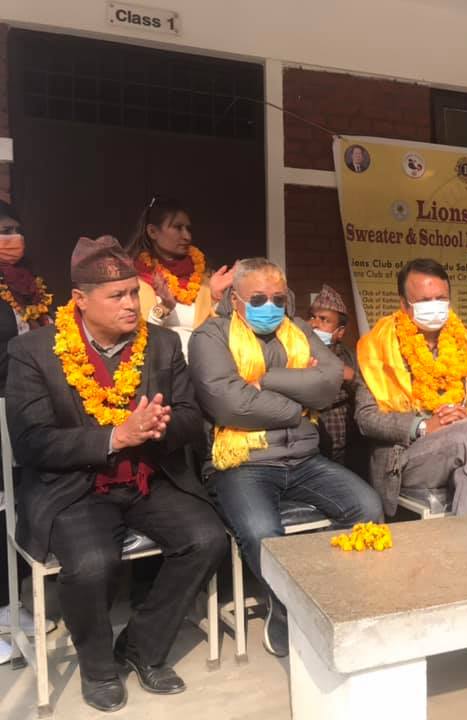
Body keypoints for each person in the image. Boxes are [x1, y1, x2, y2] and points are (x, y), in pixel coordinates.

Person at [5, 236, 227, 712]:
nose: (131, 304)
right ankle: (99, 667)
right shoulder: (33, 351)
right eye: (117, 296)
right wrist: (115, 437)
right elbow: (32, 441)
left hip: (150, 476)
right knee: (91, 564)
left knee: (207, 538)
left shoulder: (161, 343)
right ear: (80, 300)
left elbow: (192, 417)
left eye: (133, 293)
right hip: (73, 487)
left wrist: (162, 425)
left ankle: (142, 647)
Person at [188, 257, 382, 659]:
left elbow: (330, 382)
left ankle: (327, 597)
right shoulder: (210, 336)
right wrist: (297, 406)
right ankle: (285, 609)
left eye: (278, 298)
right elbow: (230, 404)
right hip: (244, 462)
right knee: (263, 532)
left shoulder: (298, 330)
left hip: (304, 458)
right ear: (235, 300)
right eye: (258, 298)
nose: (271, 306)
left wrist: (267, 380)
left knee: (366, 507)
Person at [354, 258, 467, 672]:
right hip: (409, 458)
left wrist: (466, 420)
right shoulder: (376, 346)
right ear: (404, 303)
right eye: (424, 300)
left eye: (441, 297)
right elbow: (366, 418)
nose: (435, 306)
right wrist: (422, 424)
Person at [0, 200, 56, 665]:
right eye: (2, 230)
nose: (12, 238)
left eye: (16, 228)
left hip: (22, 407)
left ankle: (9, 605)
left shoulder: (29, 285)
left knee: (14, 505)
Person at [126, 196, 235, 359]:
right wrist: (164, 307)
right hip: (155, 365)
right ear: (153, 232)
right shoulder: (132, 279)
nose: (187, 236)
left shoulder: (206, 278)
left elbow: (222, 335)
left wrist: (217, 299)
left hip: (203, 365)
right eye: (178, 228)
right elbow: (134, 338)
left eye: (188, 229)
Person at [307, 285, 364, 475]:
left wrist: (352, 377)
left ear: (340, 332)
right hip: (310, 449)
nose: (315, 324)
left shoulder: (352, 357)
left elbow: (368, 394)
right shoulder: (295, 354)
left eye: (324, 320)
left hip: (349, 449)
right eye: (312, 317)